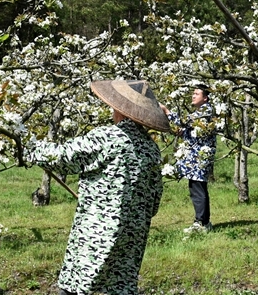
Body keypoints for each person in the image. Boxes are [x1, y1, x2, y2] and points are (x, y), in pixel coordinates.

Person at [26, 80, 170, 295]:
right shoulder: (151, 149)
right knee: (120, 284)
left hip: (98, 229)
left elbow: (62, 157)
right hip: (133, 232)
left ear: (121, 110)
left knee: (77, 282)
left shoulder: (107, 137)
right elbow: (154, 201)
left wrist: (25, 145)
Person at [162, 84, 217, 234]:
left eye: (197, 94)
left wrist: (167, 111)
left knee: (198, 189)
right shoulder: (200, 112)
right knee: (197, 188)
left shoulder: (205, 111)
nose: (193, 96)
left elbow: (184, 121)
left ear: (205, 98)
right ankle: (203, 222)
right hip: (195, 157)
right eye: (193, 93)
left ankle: (201, 223)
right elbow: (193, 132)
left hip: (199, 157)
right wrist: (182, 133)